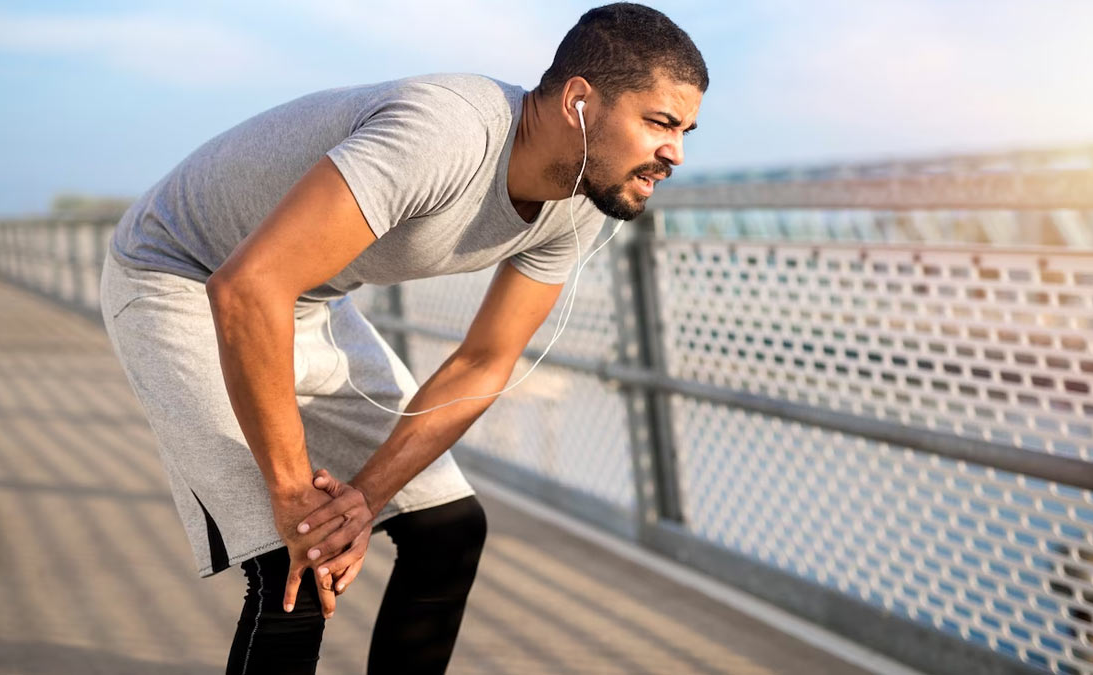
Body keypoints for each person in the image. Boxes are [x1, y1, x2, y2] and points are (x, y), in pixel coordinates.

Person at [98, 3, 706, 673]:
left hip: (302, 295)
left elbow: (485, 360)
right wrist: (297, 493)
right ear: (580, 101)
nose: (675, 152)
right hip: (180, 275)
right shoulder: (444, 134)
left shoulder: (580, 198)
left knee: (447, 528)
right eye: (660, 123)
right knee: (295, 558)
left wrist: (366, 496)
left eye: (686, 130)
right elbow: (246, 289)